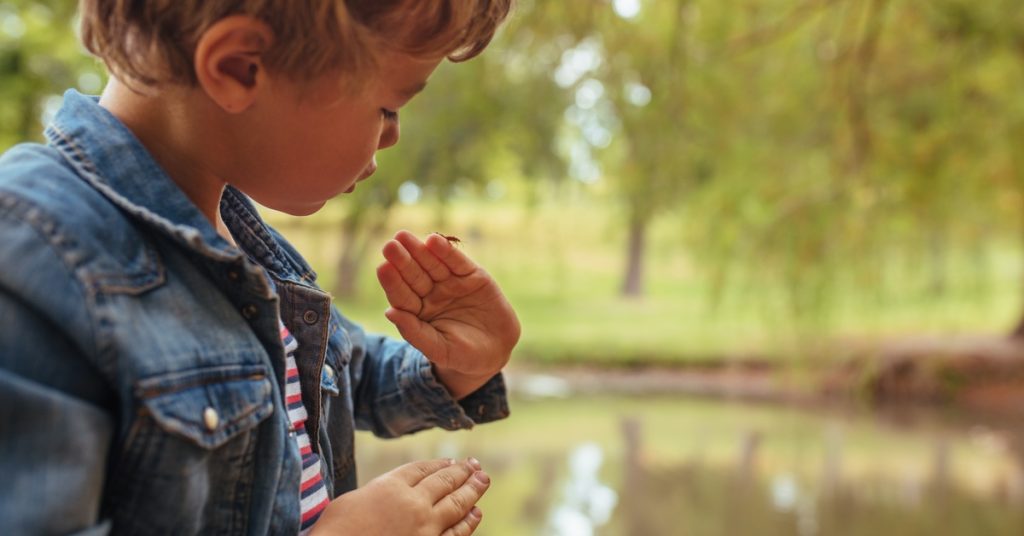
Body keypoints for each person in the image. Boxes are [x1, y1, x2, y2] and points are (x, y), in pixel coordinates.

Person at [0, 0, 520, 534]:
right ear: (238, 68)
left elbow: (337, 375)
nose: (393, 135)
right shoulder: (33, 253)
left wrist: (457, 366)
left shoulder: (237, 237)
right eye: (387, 107)